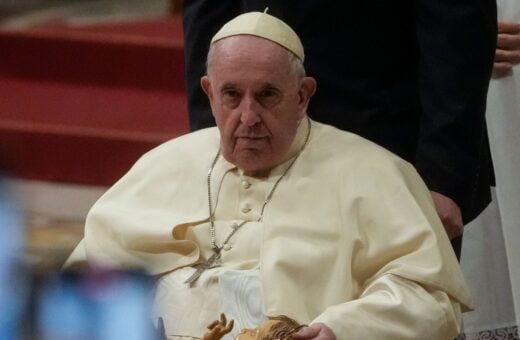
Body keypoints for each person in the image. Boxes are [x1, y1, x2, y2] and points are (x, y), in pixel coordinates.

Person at [65, 11, 473, 339]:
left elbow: (429, 299)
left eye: (267, 96)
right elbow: (80, 283)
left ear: (303, 95)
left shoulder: (376, 172)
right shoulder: (163, 166)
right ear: (208, 92)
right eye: (231, 95)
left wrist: (341, 330)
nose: (248, 117)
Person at [182, 1, 498, 256]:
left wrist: (443, 173)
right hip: (258, 146)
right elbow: (208, 11)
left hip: (388, 142)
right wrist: (214, 136)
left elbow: (458, 24)